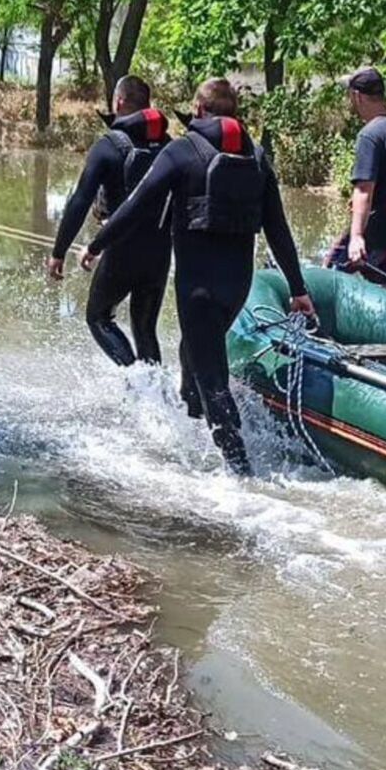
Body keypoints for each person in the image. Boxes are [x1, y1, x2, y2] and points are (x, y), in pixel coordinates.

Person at [84, 78, 315, 475]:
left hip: (198, 290)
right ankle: (189, 433)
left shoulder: (181, 151)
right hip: (236, 288)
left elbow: (137, 205)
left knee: (213, 381)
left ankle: (241, 477)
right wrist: (298, 289)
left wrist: (97, 243)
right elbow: (278, 230)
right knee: (192, 356)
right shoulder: (258, 158)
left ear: (199, 110)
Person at [46, 75, 171, 365]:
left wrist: (58, 251)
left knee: (98, 318)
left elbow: (80, 201)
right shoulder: (169, 145)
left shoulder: (108, 145)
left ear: (119, 102)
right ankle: (159, 395)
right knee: (145, 328)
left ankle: (138, 384)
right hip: (161, 250)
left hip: (121, 247)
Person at [324, 66, 386, 290]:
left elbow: (364, 189)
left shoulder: (370, 135)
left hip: (377, 236)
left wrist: (356, 236)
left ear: (356, 96)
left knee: (328, 277)